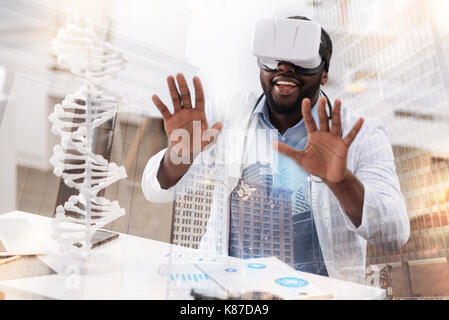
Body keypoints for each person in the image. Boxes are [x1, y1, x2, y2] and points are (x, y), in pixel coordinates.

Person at [142, 16, 410, 284]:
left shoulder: (363, 133)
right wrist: (178, 157)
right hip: (230, 292)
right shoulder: (226, 112)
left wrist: (340, 182)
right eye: (274, 57)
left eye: (302, 59)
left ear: (324, 73)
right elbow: (155, 191)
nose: (285, 66)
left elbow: (394, 233)